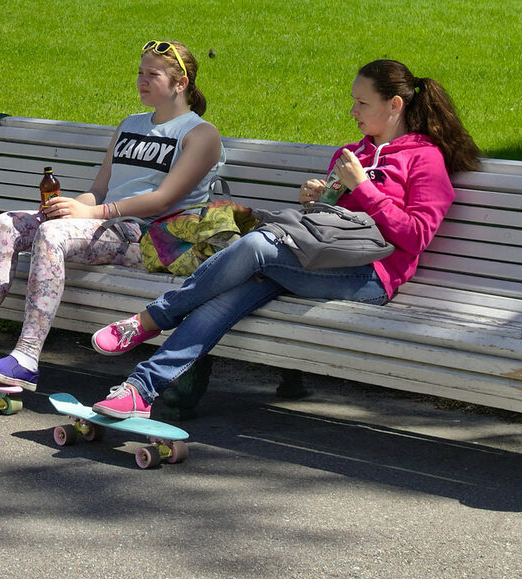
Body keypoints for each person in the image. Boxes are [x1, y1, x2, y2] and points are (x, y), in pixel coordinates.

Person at [86, 58, 480, 418]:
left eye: (362, 103)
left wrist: (364, 188)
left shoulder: (424, 159)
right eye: (353, 102)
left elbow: (415, 236)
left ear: (394, 106)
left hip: (371, 276)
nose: (352, 111)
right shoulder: (350, 154)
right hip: (314, 259)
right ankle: (139, 391)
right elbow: (328, 225)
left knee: (258, 246)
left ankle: (154, 317)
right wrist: (320, 197)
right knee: (231, 292)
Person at [0, 41, 225, 392]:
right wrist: (69, 206)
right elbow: (98, 190)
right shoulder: (130, 125)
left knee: (52, 236)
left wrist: (90, 213)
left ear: (181, 83)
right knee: (8, 223)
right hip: (107, 224)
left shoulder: (200, 134)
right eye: (139, 73)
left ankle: (25, 358)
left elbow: (165, 198)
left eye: (153, 75)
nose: (141, 81)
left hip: (151, 237)